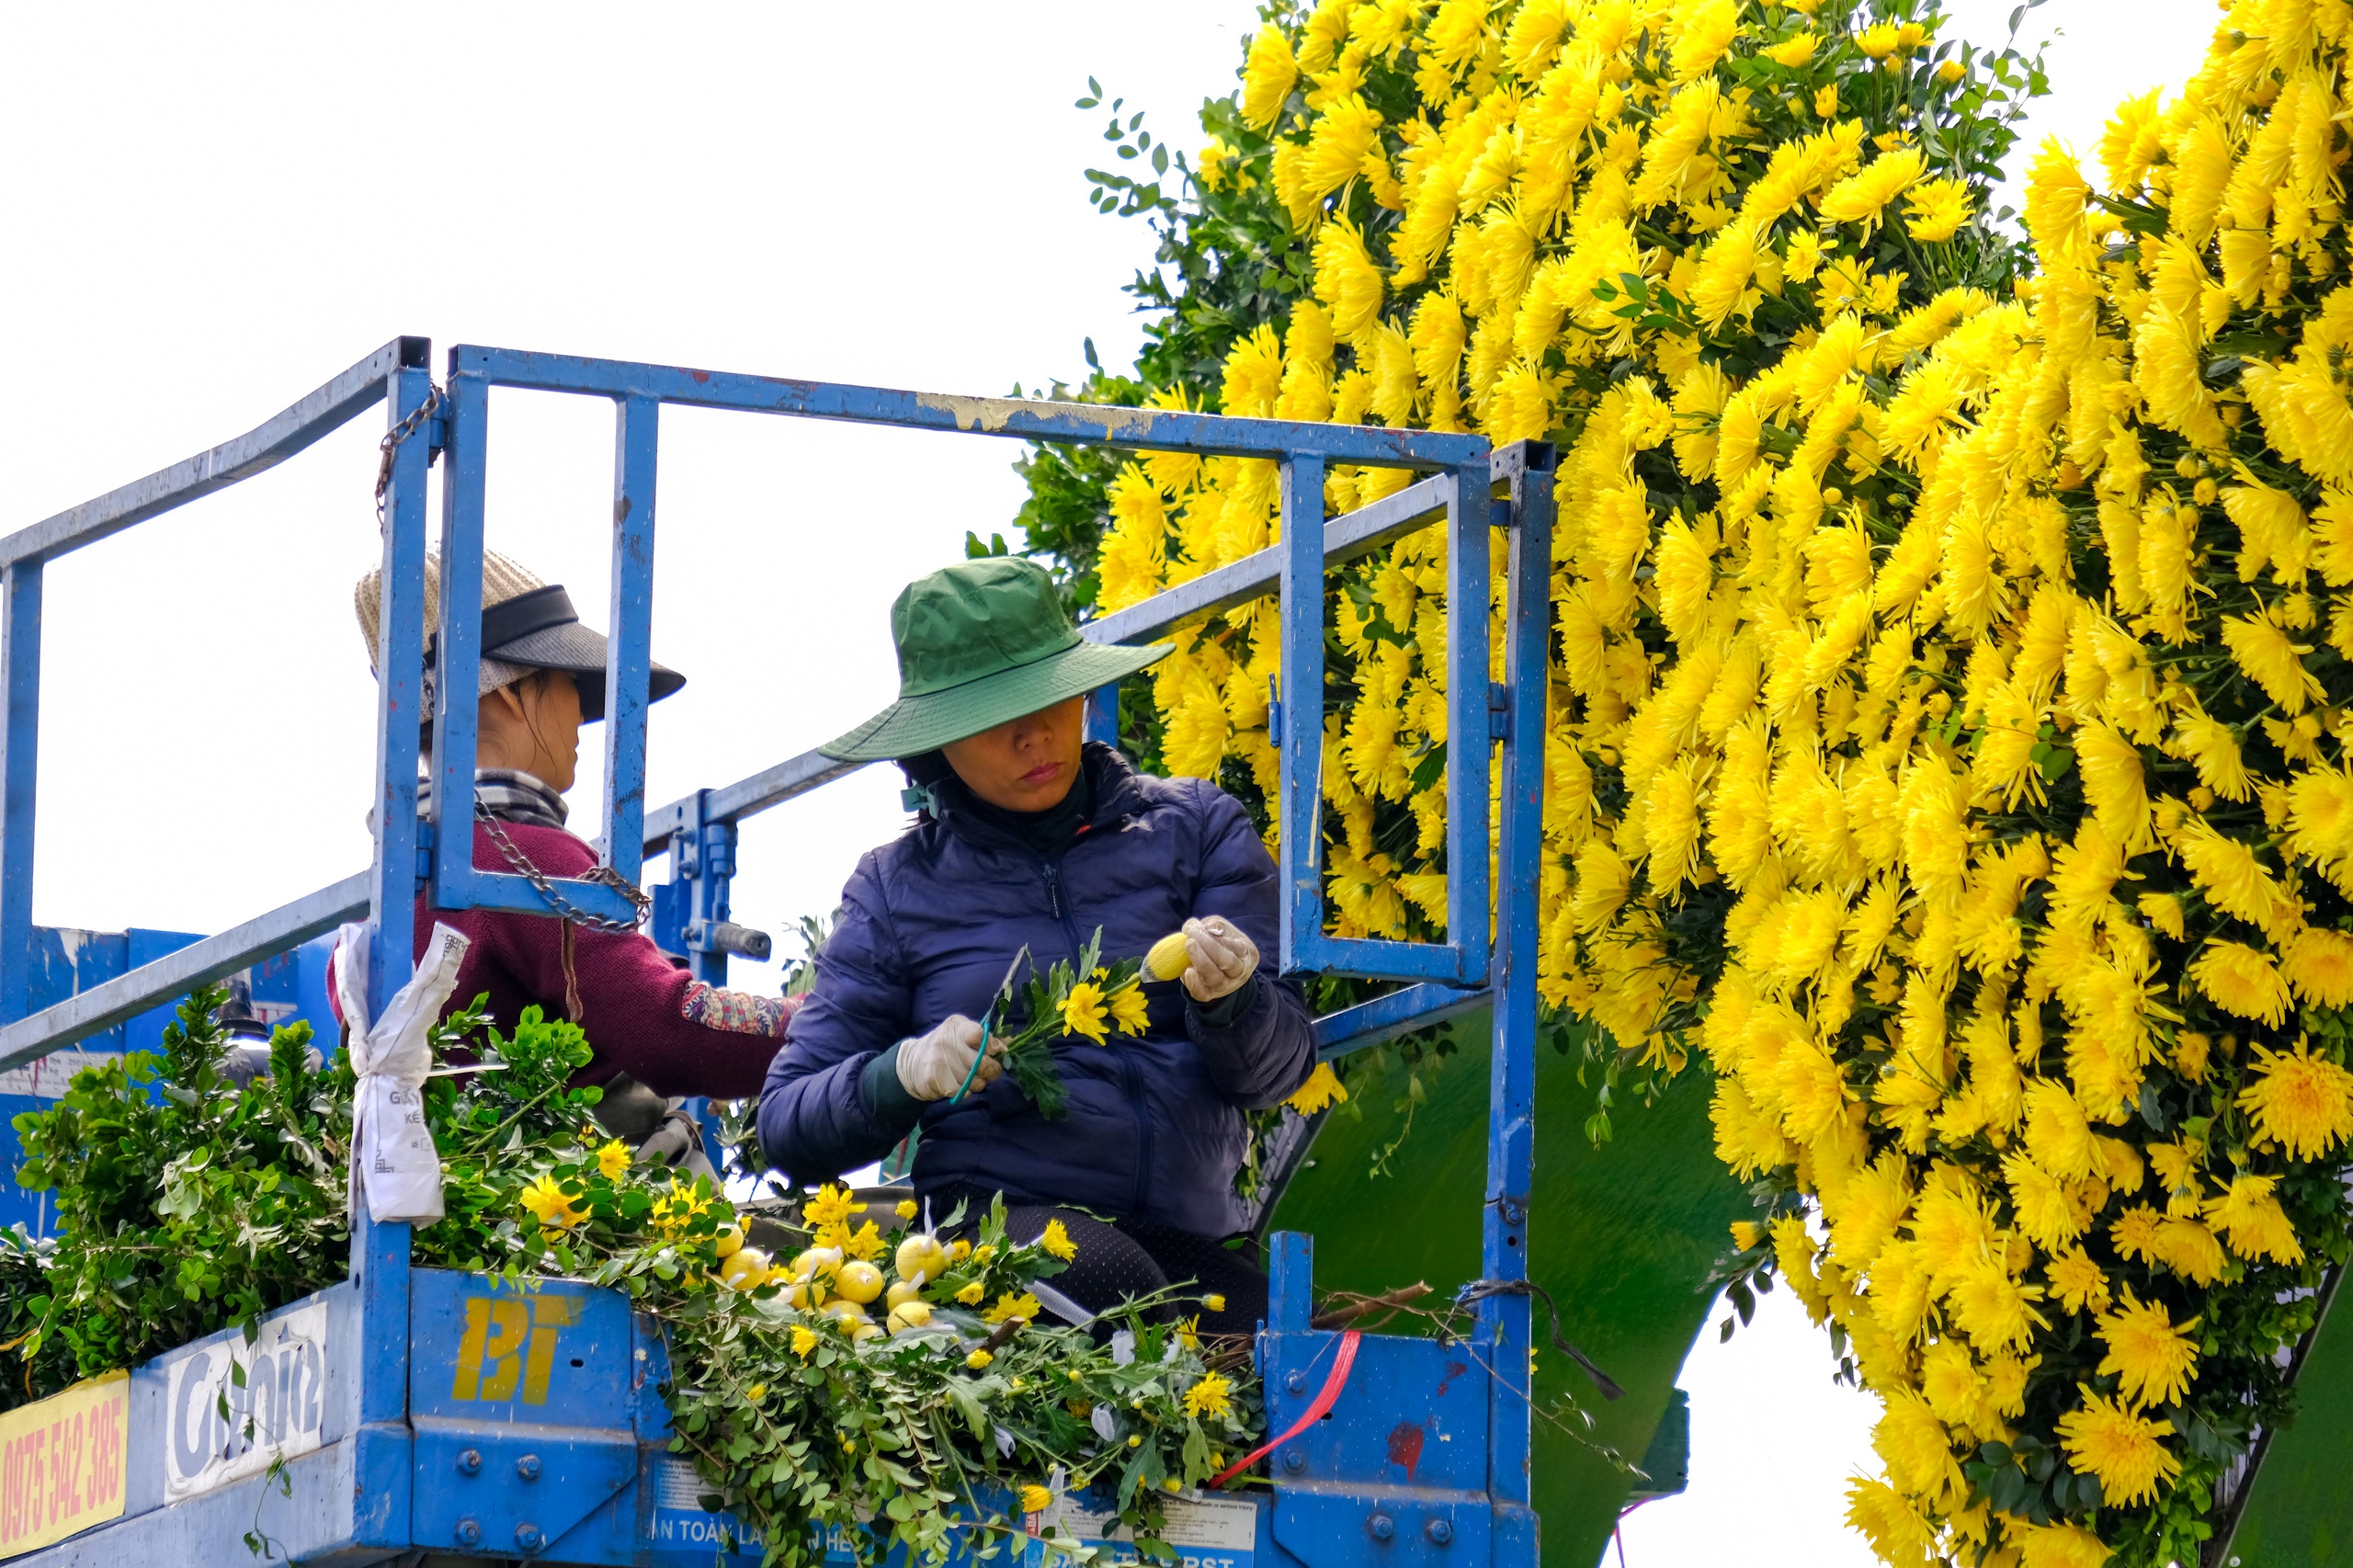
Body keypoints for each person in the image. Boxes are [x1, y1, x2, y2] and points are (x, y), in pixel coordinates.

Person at [757, 558, 1317, 1335]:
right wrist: (902, 1075)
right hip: (999, 1232)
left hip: (1189, 1239)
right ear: (937, 744)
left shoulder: (1196, 828)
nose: (1034, 736)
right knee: (1107, 1278)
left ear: (1083, 690)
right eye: (993, 721)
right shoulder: (894, 888)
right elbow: (785, 1122)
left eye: (1051, 699)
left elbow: (1279, 1074)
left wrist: (1237, 1005)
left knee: (1308, 1360)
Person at [342, 550, 796, 1173]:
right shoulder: (531, 857)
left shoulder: (390, 884)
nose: (581, 711)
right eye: (564, 683)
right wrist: (828, 1019)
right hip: (571, 1207)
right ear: (504, 693)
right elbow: (667, 1029)